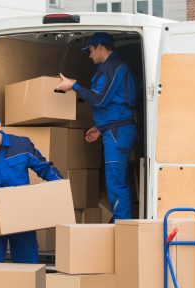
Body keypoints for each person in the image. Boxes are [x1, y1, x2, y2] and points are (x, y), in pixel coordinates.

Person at [0, 111, 62, 263]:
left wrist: (60, 185)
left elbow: (44, 169)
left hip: (22, 215)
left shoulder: (22, 145)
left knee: (27, 265)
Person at [55, 32, 137, 220]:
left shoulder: (112, 68)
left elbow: (99, 100)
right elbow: (116, 102)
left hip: (118, 132)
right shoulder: (113, 67)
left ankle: (122, 225)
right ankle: (122, 220)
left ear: (100, 47)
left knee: (115, 181)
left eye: (91, 50)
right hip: (115, 129)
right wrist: (101, 128)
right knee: (118, 180)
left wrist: (73, 86)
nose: (89, 55)